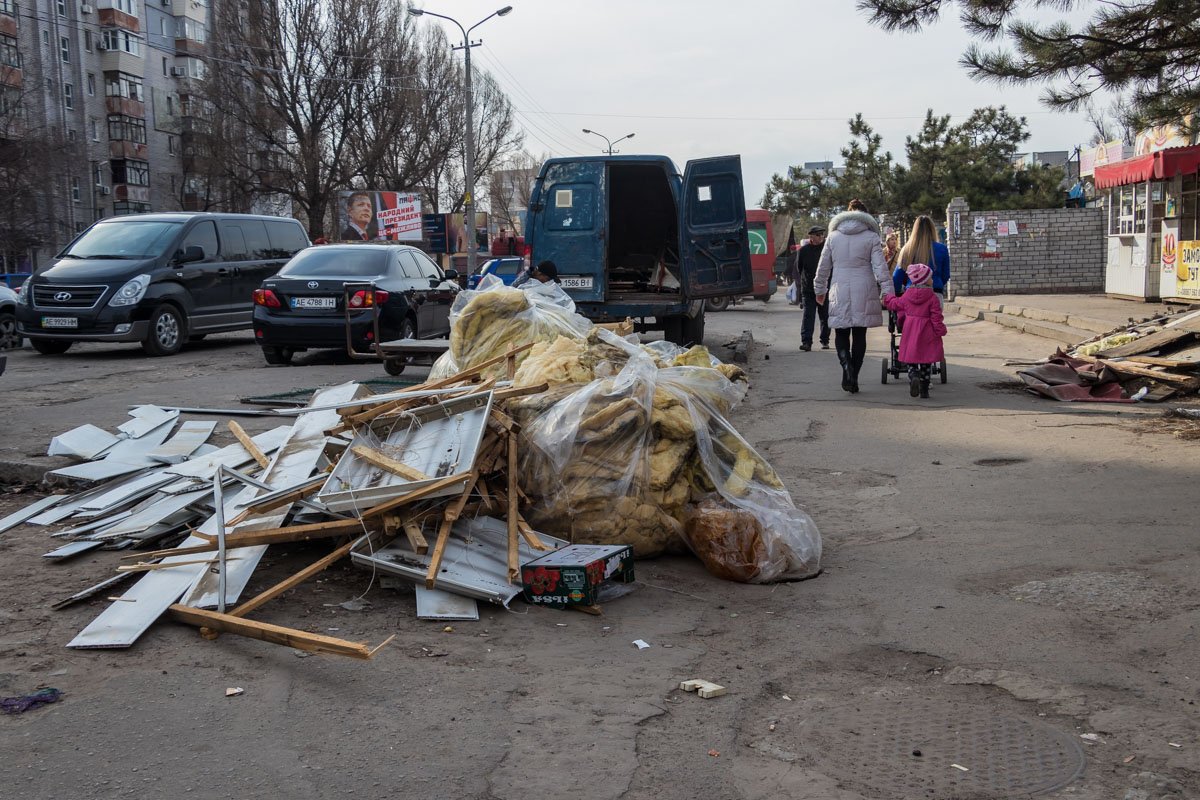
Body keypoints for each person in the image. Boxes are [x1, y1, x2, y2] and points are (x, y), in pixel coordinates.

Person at [814, 199, 893, 393]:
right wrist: (888, 292)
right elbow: (880, 268)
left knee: (840, 332)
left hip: (839, 287)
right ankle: (854, 376)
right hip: (864, 287)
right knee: (859, 334)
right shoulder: (872, 237)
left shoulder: (833, 237)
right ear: (866, 217)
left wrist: (819, 290)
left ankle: (846, 368)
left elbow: (823, 267)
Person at [883, 263, 947, 399]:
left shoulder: (907, 296)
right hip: (927, 331)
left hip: (910, 330)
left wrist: (887, 298)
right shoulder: (933, 298)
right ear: (924, 280)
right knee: (926, 362)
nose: (932, 280)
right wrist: (940, 330)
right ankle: (924, 389)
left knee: (911, 360)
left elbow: (895, 304)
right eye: (930, 277)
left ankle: (914, 376)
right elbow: (936, 317)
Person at [894, 215, 950, 299]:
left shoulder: (906, 250)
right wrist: (937, 282)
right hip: (935, 293)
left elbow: (897, 277)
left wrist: (897, 292)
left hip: (912, 293)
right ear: (932, 230)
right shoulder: (942, 248)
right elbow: (946, 275)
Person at [795, 226, 829, 351]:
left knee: (825, 315)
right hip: (808, 289)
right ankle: (806, 342)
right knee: (808, 315)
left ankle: (825, 339)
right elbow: (799, 268)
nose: (821, 237)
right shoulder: (804, 251)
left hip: (824, 288)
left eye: (822, 234)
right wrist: (804, 282)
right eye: (818, 235)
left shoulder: (827, 250)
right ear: (811, 237)